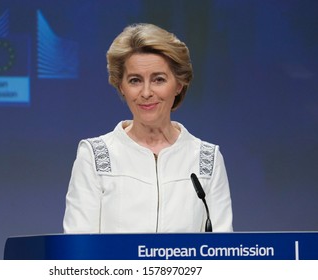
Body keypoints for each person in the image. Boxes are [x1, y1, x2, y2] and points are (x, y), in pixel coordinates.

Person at [63, 23, 233, 233]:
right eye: (135, 80)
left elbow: (224, 251)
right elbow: (78, 249)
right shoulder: (94, 155)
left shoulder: (207, 158)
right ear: (121, 87)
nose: (146, 92)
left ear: (178, 84)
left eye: (158, 79)